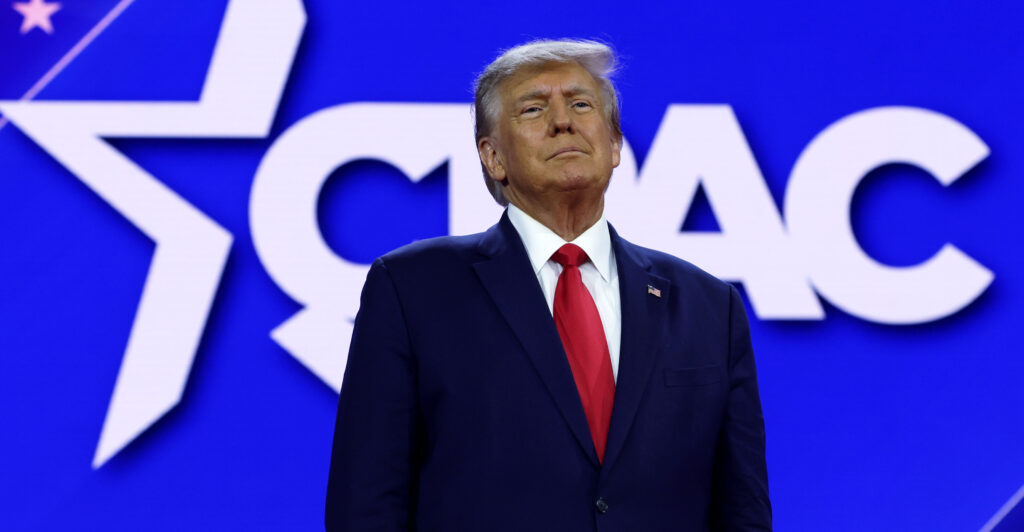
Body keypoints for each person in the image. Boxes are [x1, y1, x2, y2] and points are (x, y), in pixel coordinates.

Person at [325, 39, 771, 531]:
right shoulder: (412, 289)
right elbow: (365, 505)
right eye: (534, 109)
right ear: (493, 158)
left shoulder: (709, 307)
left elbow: (743, 510)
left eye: (581, 104)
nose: (564, 121)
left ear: (615, 144)